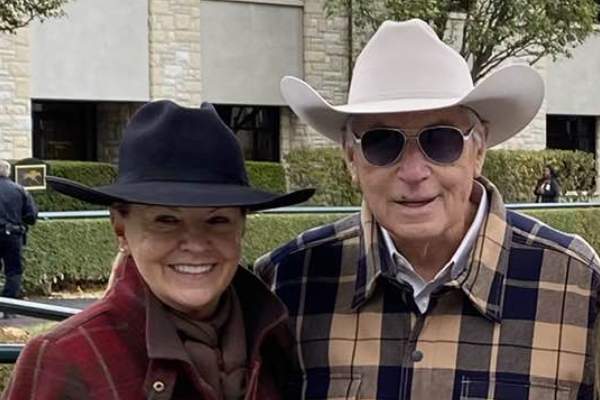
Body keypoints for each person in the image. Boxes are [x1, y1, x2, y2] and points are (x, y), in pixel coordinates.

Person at [255, 19, 600, 399]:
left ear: (479, 150)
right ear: (351, 157)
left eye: (441, 140)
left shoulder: (576, 285)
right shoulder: (289, 282)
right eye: (382, 143)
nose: (414, 172)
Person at [2, 100, 314, 400]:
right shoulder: (65, 360)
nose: (195, 244)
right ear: (121, 228)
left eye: (217, 220)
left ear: (241, 228)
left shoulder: (281, 339)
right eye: (166, 220)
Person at [0, 160, 37, 302]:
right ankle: (9, 303)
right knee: (14, 270)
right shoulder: (20, 190)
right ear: (8, 172)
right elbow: (31, 216)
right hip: (13, 234)